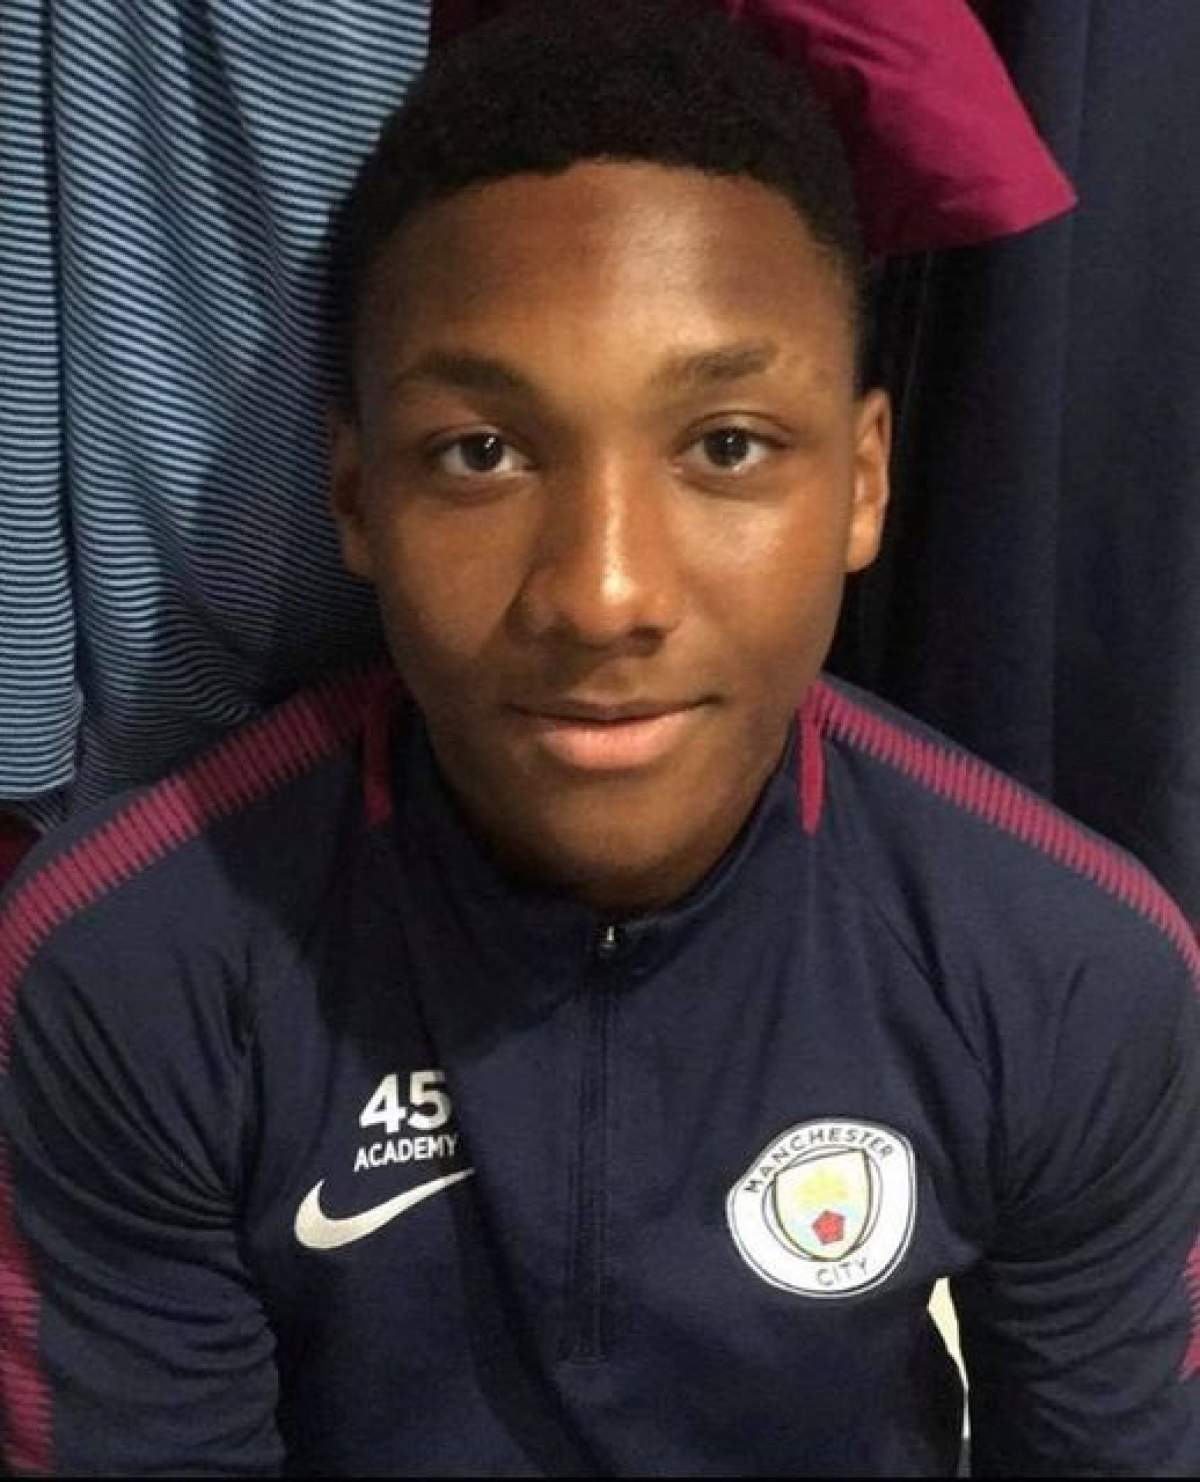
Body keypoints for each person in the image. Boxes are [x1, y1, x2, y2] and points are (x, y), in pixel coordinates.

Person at [1, 2, 1198, 1474]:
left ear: (863, 482)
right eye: (482, 453)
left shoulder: (1070, 971)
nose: (603, 593)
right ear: (358, 499)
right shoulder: (131, 976)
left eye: (726, 446)